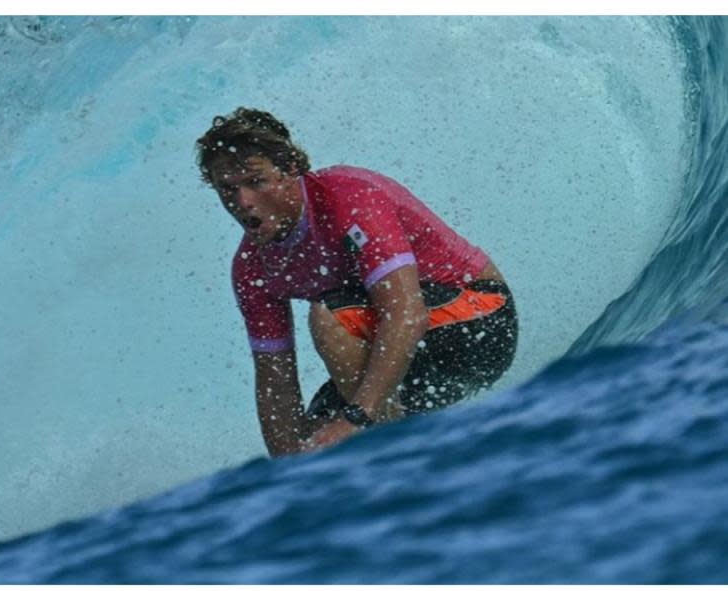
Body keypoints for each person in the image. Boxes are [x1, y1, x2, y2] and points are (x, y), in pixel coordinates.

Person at [195, 107, 518, 457]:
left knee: (331, 317)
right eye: (227, 189)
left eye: (256, 182)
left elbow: (407, 314)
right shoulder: (252, 268)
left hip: (481, 322)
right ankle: (396, 460)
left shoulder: (349, 197)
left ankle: (400, 456)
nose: (242, 202)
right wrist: (288, 468)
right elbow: (276, 382)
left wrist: (358, 419)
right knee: (313, 440)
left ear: (290, 170)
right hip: (405, 350)